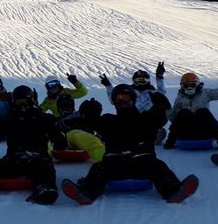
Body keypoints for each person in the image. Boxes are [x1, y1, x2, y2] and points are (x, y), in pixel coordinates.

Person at [62, 84, 199, 205]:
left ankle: (174, 191)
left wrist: (161, 106)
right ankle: (86, 193)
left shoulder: (146, 118)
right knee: (98, 168)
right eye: (118, 98)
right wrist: (88, 113)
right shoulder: (109, 120)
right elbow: (91, 123)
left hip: (143, 163)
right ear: (114, 102)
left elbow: (161, 118)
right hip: (115, 165)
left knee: (158, 166)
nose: (121, 101)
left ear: (133, 99)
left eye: (125, 97)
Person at [101, 62, 170, 143]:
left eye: (142, 81)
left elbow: (162, 92)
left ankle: (152, 135)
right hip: (130, 120)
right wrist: (108, 86)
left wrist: (159, 77)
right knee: (109, 119)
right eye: (137, 81)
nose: (140, 83)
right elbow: (115, 100)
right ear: (134, 81)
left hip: (148, 121)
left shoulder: (152, 93)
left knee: (158, 112)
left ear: (147, 81)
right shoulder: (130, 92)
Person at [53, 96, 106, 162]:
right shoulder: (56, 120)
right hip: (67, 140)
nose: (66, 109)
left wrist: (90, 112)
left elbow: (90, 119)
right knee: (76, 133)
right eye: (63, 107)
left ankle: (110, 153)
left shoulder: (78, 116)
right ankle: (104, 156)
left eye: (69, 107)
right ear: (58, 109)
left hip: (87, 139)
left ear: (73, 108)